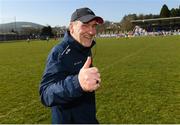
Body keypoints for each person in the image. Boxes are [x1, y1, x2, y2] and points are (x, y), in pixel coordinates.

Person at [39, 7, 104, 124]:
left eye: (94, 26)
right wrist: (77, 83)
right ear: (72, 27)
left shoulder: (84, 47)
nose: (92, 31)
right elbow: (45, 94)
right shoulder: (59, 52)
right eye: (85, 25)